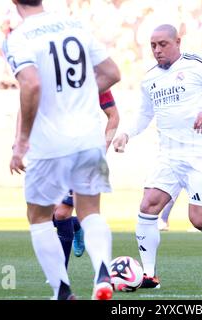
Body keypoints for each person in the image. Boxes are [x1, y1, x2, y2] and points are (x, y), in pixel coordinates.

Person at [113, 24, 202, 289]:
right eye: (153, 45)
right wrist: (127, 133)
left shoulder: (196, 65)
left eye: (162, 44)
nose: (157, 50)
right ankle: (149, 275)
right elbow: (144, 114)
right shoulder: (150, 78)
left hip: (200, 154)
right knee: (148, 205)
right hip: (169, 155)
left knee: (200, 220)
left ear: (177, 41)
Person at [4, 0, 121, 299]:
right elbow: (111, 72)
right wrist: (78, 95)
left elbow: (30, 85)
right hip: (89, 136)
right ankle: (103, 273)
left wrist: (21, 142)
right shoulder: (75, 24)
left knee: (40, 216)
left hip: (50, 142)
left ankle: (62, 290)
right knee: (90, 211)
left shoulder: (18, 37)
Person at [53, 90, 120, 266]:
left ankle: (61, 275)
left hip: (83, 155)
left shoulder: (95, 80)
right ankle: (77, 225)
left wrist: (103, 148)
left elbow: (113, 116)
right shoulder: (51, 77)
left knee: (61, 213)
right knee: (43, 215)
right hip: (54, 154)